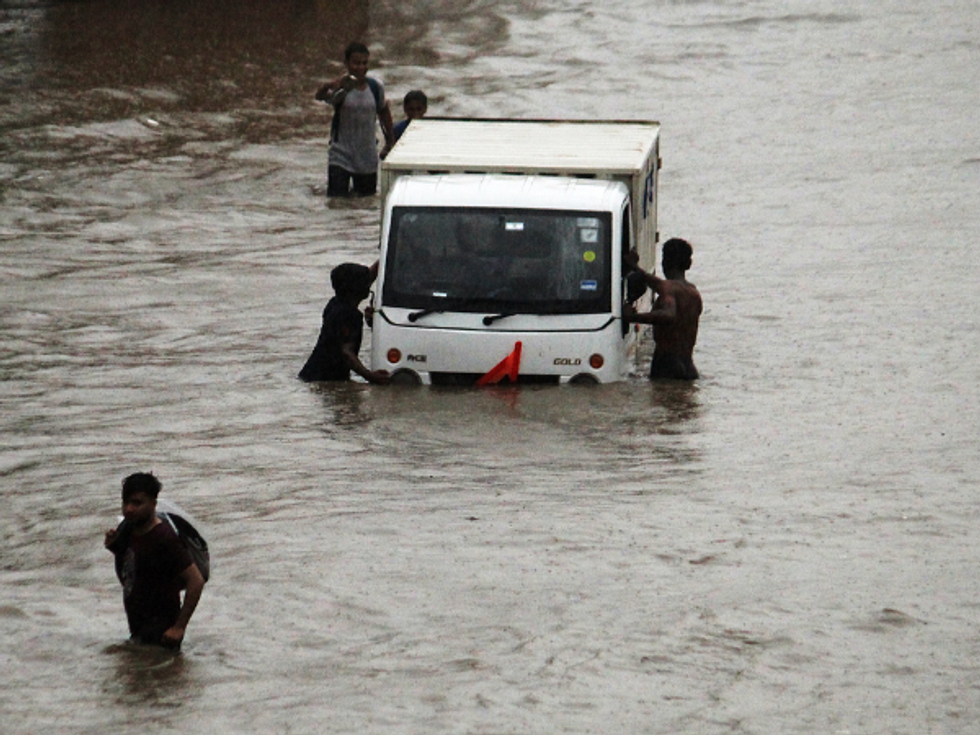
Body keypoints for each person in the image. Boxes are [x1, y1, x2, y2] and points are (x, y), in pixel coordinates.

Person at [104, 473, 205, 649]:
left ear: (153, 504)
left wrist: (179, 627)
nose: (129, 509)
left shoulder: (163, 537)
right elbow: (134, 571)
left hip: (162, 636)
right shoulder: (127, 529)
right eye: (125, 502)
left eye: (137, 503)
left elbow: (196, 581)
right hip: (138, 630)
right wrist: (114, 547)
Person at [315, 42, 395, 197]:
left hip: (367, 157)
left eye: (364, 63)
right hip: (340, 155)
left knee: (365, 202)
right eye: (356, 63)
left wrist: (390, 142)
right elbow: (320, 96)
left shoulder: (376, 87)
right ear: (346, 63)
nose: (361, 67)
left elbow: (384, 112)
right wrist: (327, 86)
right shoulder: (341, 87)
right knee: (336, 202)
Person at [298, 261, 390, 384]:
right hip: (325, 378)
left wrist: (386, 256)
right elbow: (346, 353)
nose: (369, 284)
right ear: (356, 288)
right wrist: (369, 375)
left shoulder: (335, 303)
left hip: (312, 374)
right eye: (365, 282)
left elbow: (371, 274)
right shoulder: (350, 314)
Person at [624, 238, 702, 380]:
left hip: (667, 366)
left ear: (664, 262)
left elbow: (668, 315)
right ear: (688, 264)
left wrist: (632, 317)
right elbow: (656, 283)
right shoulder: (693, 292)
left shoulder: (668, 289)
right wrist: (635, 267)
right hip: (689, 367)